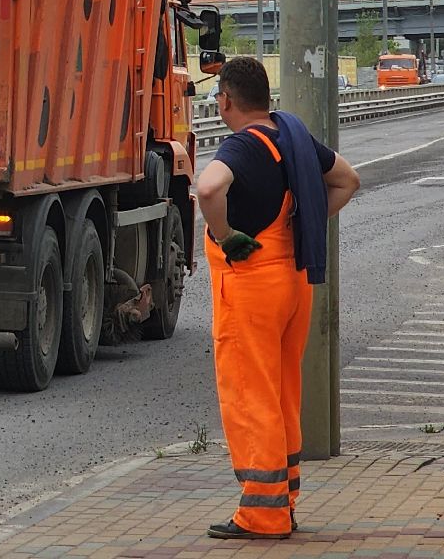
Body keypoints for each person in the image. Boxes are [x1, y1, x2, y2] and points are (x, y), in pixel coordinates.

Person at [195, 56, 360, 540]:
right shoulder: (292, 138)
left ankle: (261, 514)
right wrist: (304, 221)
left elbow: (208, 188)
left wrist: (225, 235)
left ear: (226, 100)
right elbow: (348, 180)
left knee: (251, 395)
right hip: (292, 282)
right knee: (283, 392)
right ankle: (283, 498)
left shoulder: (244, 145)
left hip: (250, 287)